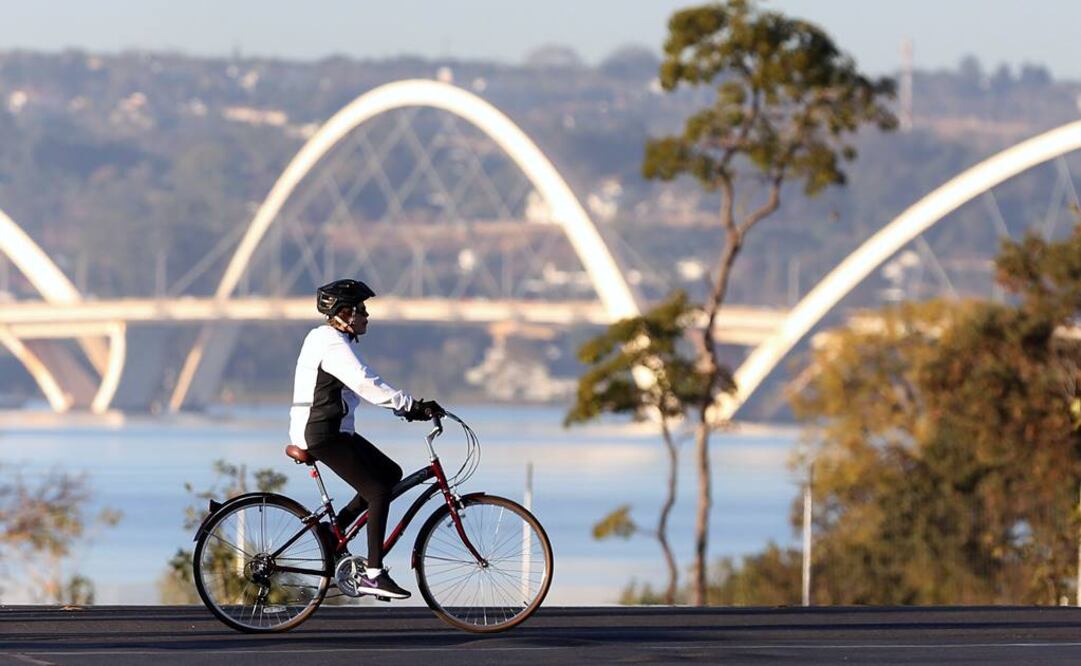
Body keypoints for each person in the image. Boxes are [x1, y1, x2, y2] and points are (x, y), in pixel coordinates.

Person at [288, 278, 444, 599]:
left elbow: (367, 382)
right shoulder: (331, 344)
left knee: (390, 474)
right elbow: (365, 383)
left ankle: (333, 533)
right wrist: (410, 406)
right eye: (361, 309)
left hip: (335, 431)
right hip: (321, 434)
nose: (366, 316)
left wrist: (407, 409)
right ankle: (373, 573)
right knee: (376, 490)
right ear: (344, 313)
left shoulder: (331, 340)